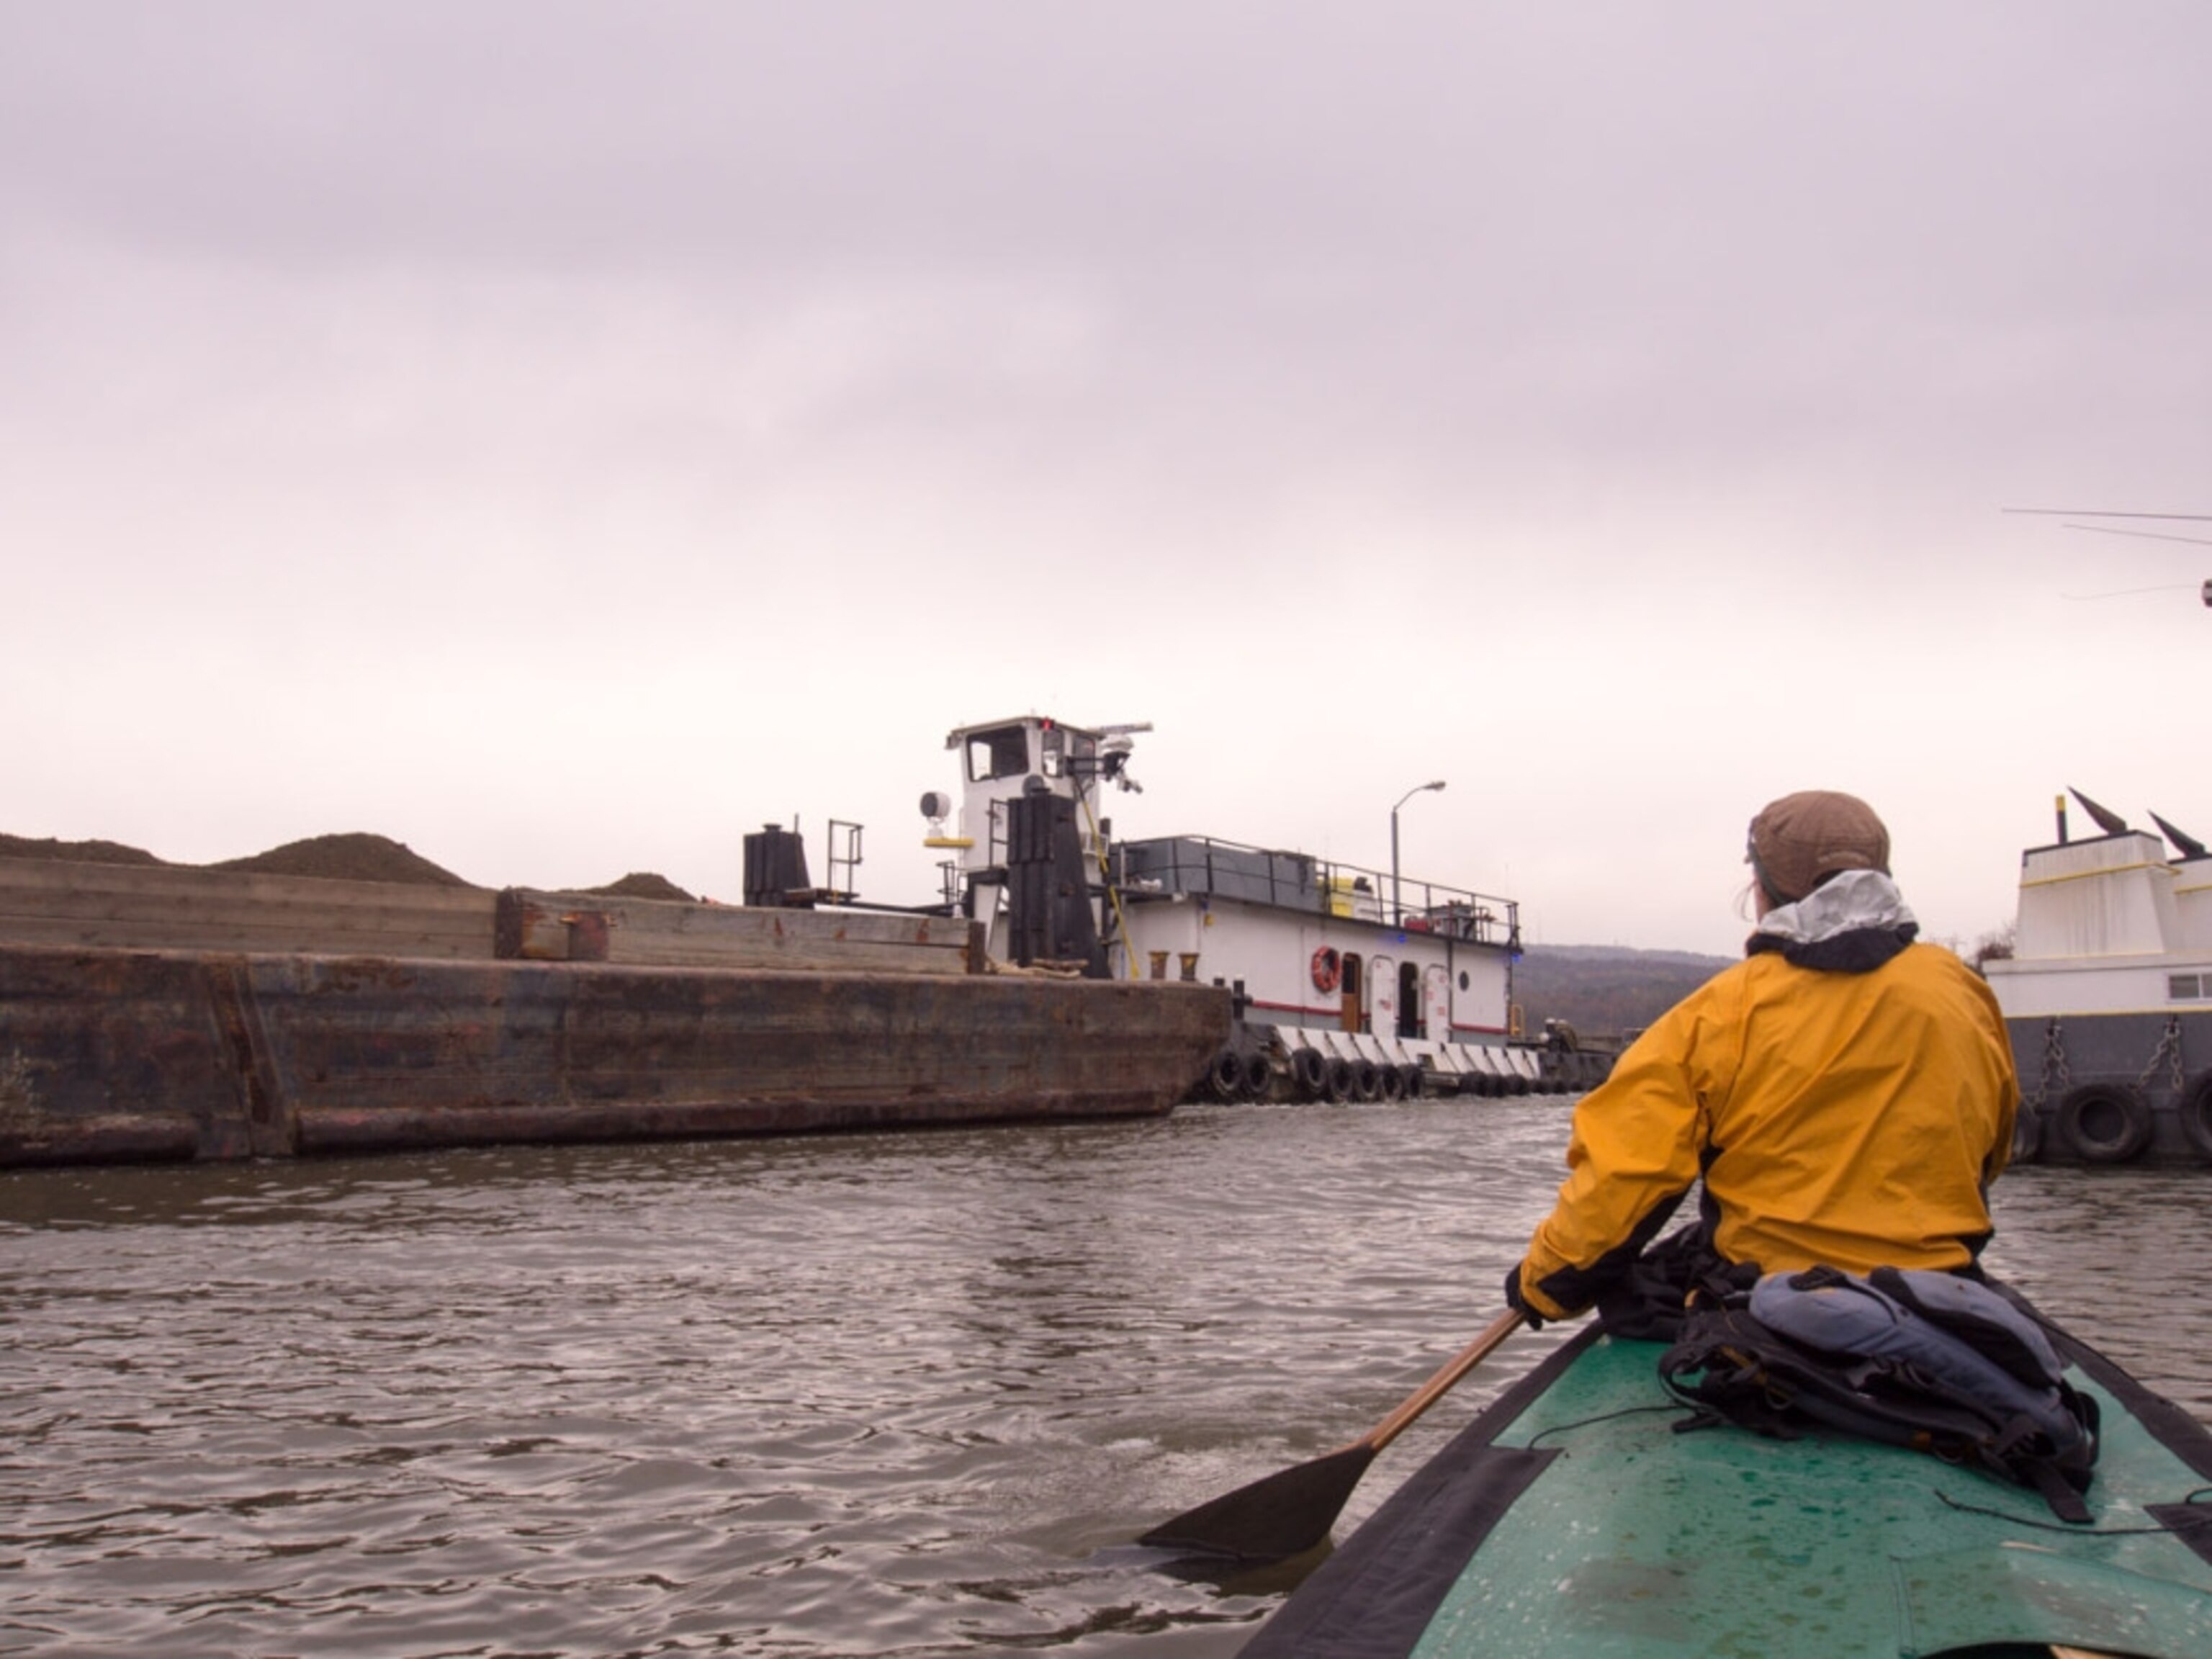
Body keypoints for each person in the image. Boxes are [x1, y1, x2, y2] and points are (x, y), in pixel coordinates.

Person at [1505, 789, 2020, 1329]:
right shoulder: (1962, 992)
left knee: (1649, 1289)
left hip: (1774, 1302)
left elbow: (1623, 1180)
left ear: (1764, 888)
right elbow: (1993, 1150)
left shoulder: (1716, 1016)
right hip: (1938, 1290)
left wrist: (1543, 1282)